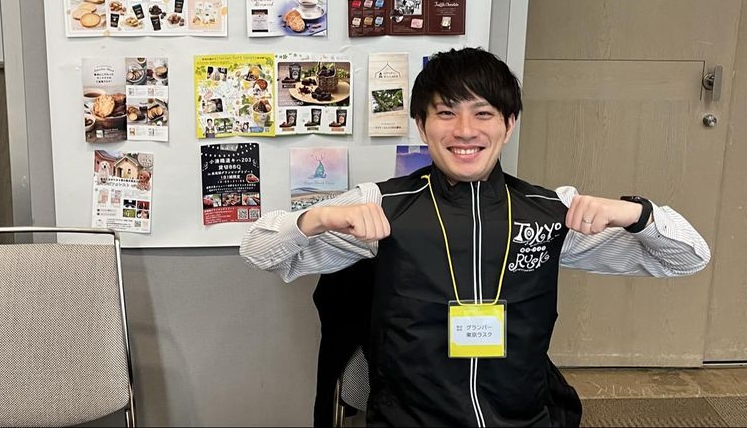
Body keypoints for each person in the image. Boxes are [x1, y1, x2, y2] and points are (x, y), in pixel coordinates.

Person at [240, 47, 710, 427]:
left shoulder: (551, 211)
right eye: (446, 113)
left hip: (523, 415)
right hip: (412, 417)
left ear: (509, 124)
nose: (465, 131)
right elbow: (258, 251)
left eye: (483, 113)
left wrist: (638, 213)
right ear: (422, 125)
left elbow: (686, 259)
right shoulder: (382, 205)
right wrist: (316, 219)